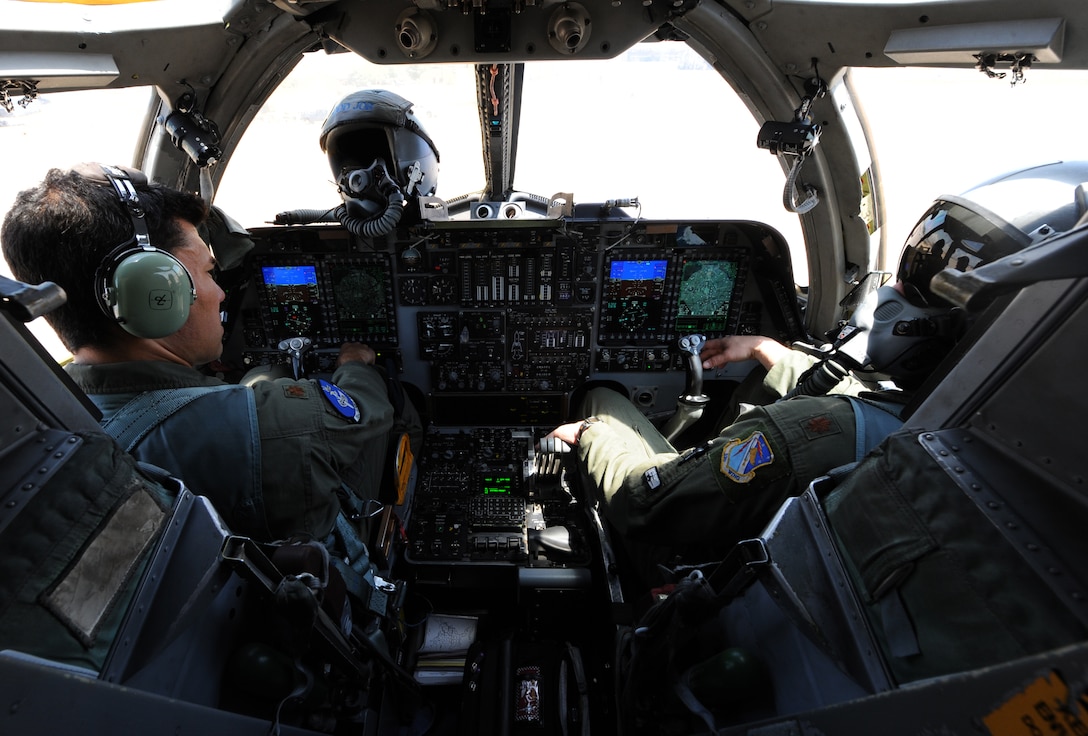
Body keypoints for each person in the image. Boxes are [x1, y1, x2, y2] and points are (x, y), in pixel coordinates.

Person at [546, 161, 1088, 584]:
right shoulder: (969, 428)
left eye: (923, 279)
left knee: (600, 395)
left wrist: (597, 435)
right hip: (749, 539)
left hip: (683, 554)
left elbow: (648, 503)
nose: (895, 291)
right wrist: (775, 354)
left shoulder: (806, 433)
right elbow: (866, 399)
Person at [1, 163, 395, 542]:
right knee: (400, 403)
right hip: (317, 586)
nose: (221, 293)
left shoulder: (42, 426)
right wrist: (355, 365)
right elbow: (367, 409)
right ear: (155, 293)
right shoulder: (265, 422)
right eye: (208, 273)